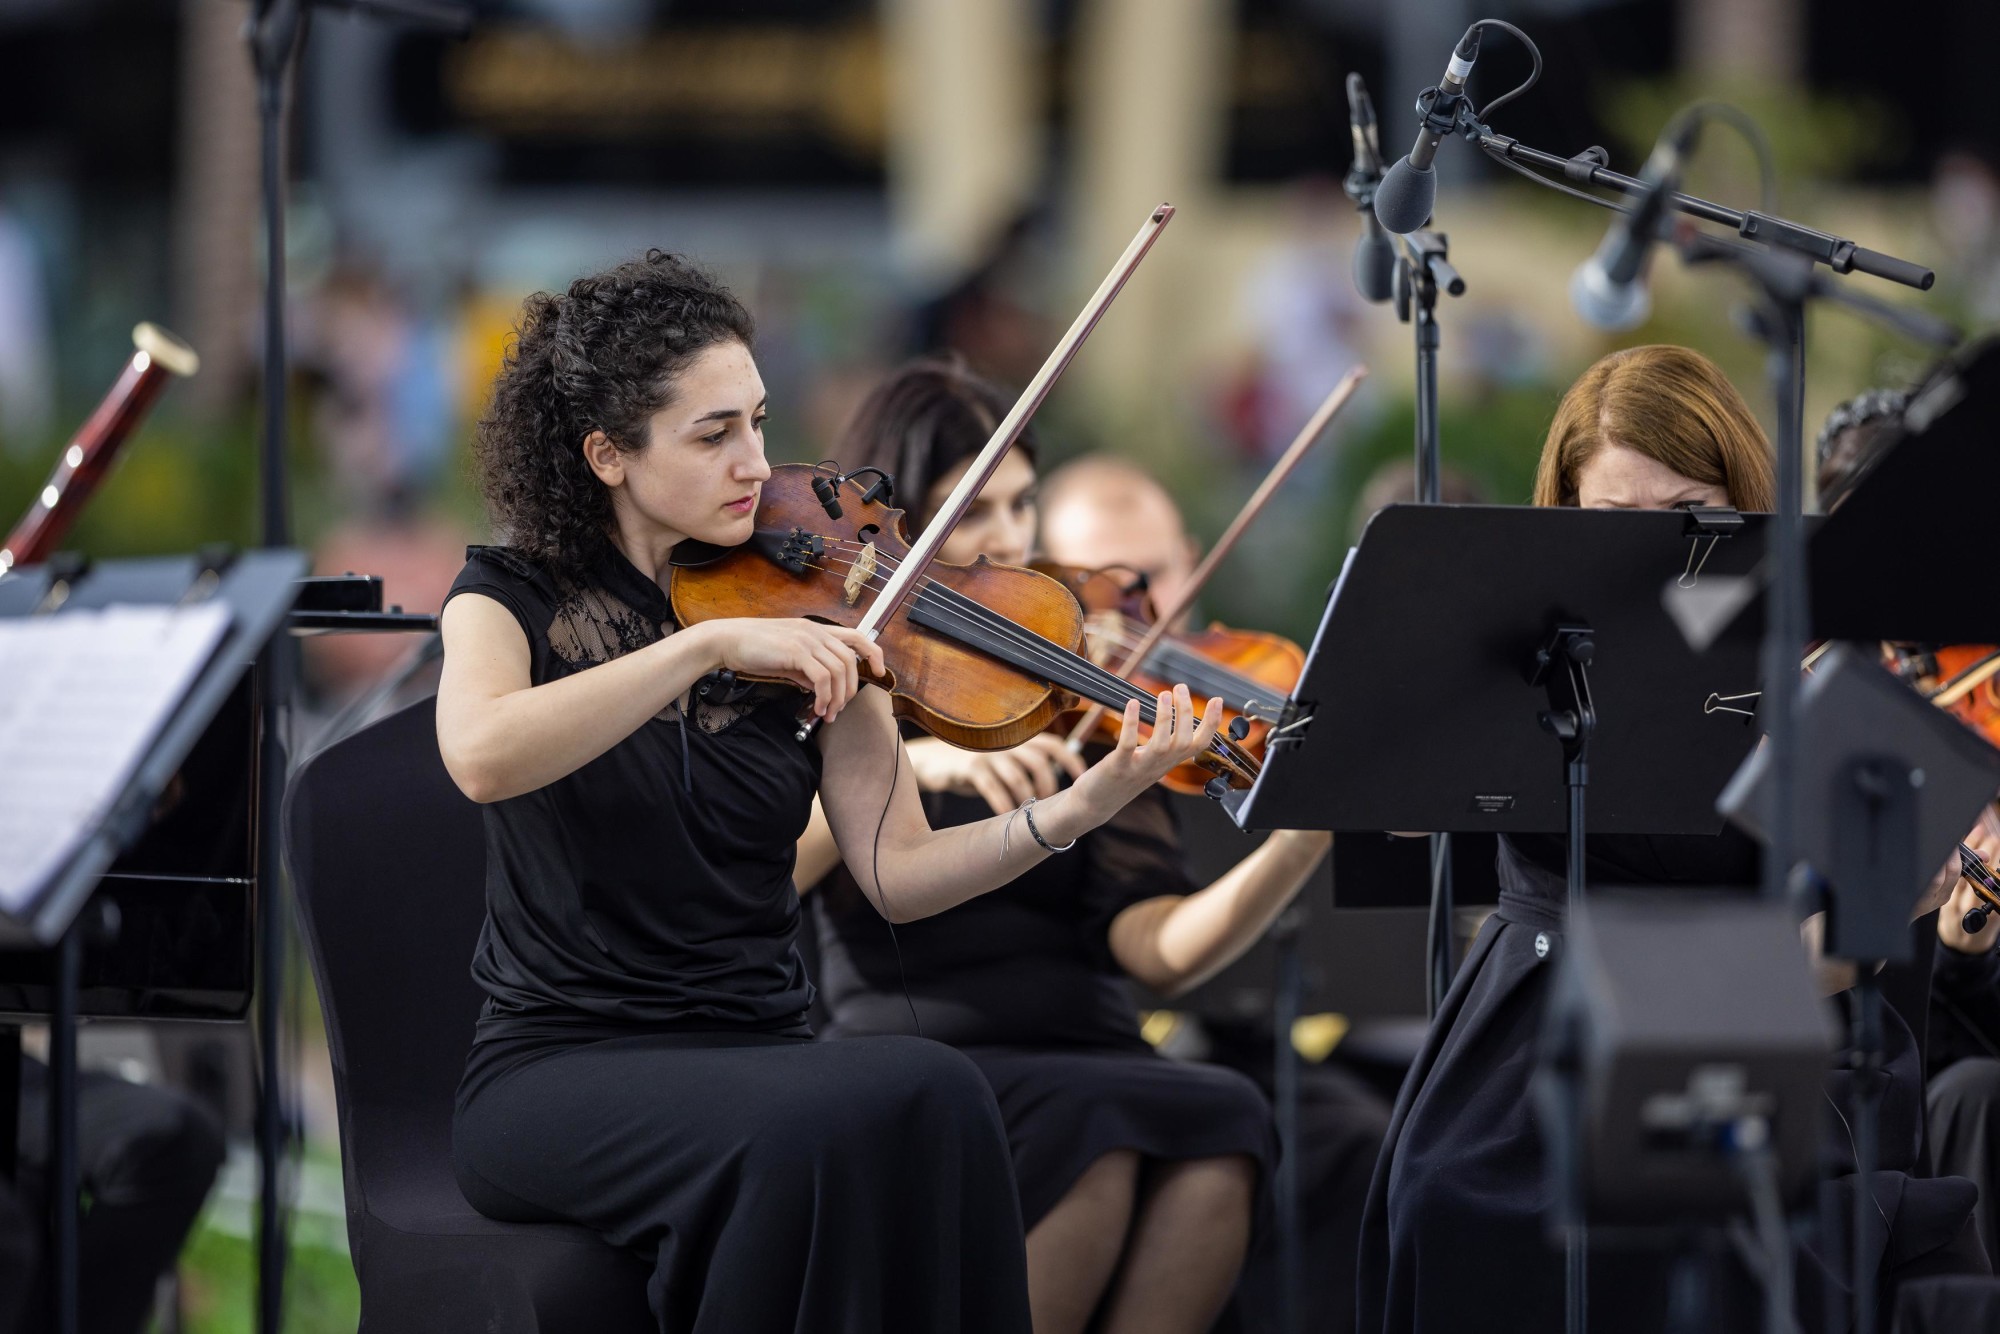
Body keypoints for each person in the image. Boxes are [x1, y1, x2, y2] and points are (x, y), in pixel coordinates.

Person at [436, 253, 1225, 1333]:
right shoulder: (510, 597)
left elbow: (898, 872)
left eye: (758, 421)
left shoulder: (824, 615)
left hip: (751, 1046)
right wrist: (705, 643)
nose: (756, 464)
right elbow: (481, 751)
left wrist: (1080, 807)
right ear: (607, 453)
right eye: (713, 435)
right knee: (816, 1125)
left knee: (939, 1092)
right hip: (559, 1065)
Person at [1357, 345, 1986, 1334]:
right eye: (1615, 522)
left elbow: (1851, 942)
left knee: (1753, 1234)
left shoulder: (1815, 655)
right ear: (1560, 516)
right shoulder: (1510, 645)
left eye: (1688, 512)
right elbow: (1386, 795)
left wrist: (1885, 862)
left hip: (1748, 1045)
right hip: (1527, 1055)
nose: (1653, 551)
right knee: (1455, 1206)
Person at [797, 359, 1328, 1334]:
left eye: (1020, 505)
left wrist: (1300, 832)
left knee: (1222, 1119)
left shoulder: (1065, 671)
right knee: (1095, 1127)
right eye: (970, 512)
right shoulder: (839, 665)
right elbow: (769, 867)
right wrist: (914, 762)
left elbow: (1155, 950)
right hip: (920, 1046)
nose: (1006, 539)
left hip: (1084, 1038)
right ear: (887, 524)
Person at [1037, 451, 1395, 1334]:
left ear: (1195, 559)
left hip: (1251, 1026)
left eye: (1153, 578)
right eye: (1097, 590)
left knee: (1369, 1141)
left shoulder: (1237, 691)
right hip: (1110, 1031)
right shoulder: (1046, 728)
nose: (1132, 624)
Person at [1818, 385, 2000, 1274]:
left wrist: (1970, 947)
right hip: (1859, 1066)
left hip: (1952, 1042)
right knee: (1970, 1096)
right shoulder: (1803, 705)